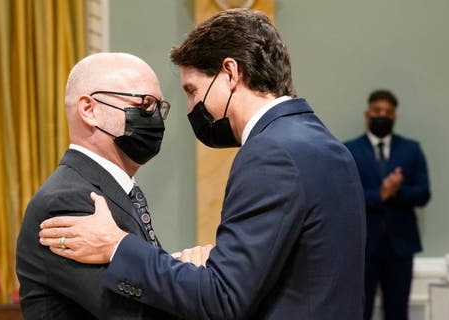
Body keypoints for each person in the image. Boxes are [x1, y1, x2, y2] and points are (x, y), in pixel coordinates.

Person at [38, 9, 366, 319]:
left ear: (230, 73)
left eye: (193, 91)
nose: (192, 107)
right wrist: (201, 268)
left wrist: (117, 246)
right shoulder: (325, 144)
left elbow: (223, 298)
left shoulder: (271, 153)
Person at [15, 52, 182, 319]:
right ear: (89, 110)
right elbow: (135, 312)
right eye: (145, 104)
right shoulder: (67, 201)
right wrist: (195, 279)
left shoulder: (112, 191)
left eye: (159, 108)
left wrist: (181, 269)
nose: (155, 119)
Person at [344, 89, 431, 320]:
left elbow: (423, 193)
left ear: (395, 116)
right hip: (363, 248)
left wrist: (396, 191)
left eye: (388, 112)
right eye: (377, 111)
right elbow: (346, 198)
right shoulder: (348, 150)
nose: (382, 115)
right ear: (367, 114)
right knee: (360, 311)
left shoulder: (412, 149)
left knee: (397, 312)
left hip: (401, 247)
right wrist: (380, 194)